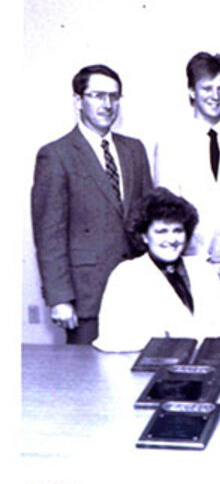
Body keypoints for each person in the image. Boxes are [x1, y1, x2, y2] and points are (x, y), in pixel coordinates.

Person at [31, 64, 152, 344]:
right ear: (78, 100)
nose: (107, 104)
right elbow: (49, 234)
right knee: (89, 380)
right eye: (97, 95)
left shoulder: (134, 150)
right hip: (87, 297)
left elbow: (149, 219)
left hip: (138, 291)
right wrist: (60, 298)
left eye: (113, 96)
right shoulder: (56, 155)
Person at [153, 52, 220, 317]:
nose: (215, 96)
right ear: (191, 91)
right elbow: (168, 213)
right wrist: (202, 269)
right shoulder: (170, 143)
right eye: (206, 88)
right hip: (190, 271)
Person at [93, 188, 220, 352]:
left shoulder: (202, 270)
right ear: (144, 236)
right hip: (144, 372)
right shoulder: (126, 275)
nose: (171, 239)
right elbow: (113, 337)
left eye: (178, 231)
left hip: (204, 367)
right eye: (161, 232)